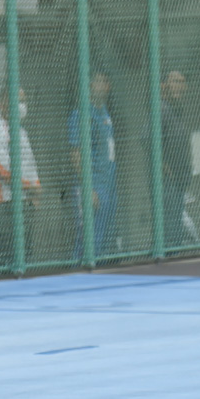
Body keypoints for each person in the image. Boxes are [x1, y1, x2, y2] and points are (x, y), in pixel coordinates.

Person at [0, 86, 40, 258]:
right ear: (2, 104)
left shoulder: (22, 133)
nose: (20, 105)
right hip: (4, 203)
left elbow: (30, 165)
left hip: (24, 202)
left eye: (22, 101)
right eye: (15, 100)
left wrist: (36, 188)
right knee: (5, 255)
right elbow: (5, 172)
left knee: (25, 253)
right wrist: (31, 187)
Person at [67, 71, 117, 260]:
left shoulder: (104, 112)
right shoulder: (81, 115)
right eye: (98, 81)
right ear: (89, 85)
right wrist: (89, 189)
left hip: (109, 185)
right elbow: (76, 155)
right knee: (87, 240)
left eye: (106, 81)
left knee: (103, 240)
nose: (103, 85)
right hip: (92, 185)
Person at [158, 70, 191, 248]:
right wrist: (164, 166)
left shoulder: (177, 110)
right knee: (170, 230)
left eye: (181, 82)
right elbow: (147, 139)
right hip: (167, 182)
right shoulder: (161, 109)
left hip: (179, 180)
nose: (178, 86)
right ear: (164, 85)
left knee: (176, 228)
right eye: (174, 81)